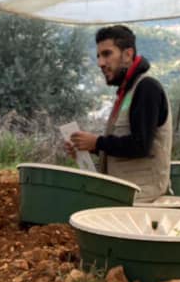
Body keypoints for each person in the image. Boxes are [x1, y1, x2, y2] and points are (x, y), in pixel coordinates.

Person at [65, 24, 172, 203]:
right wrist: (90, 147)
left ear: (128, 54)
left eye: (107, 54)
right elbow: (123, 149)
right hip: (125, 197)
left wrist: (97, 142)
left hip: (143, 200)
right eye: (98, 56)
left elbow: (140, 145)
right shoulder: (126, 93)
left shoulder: (146, 88)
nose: (101, 63)